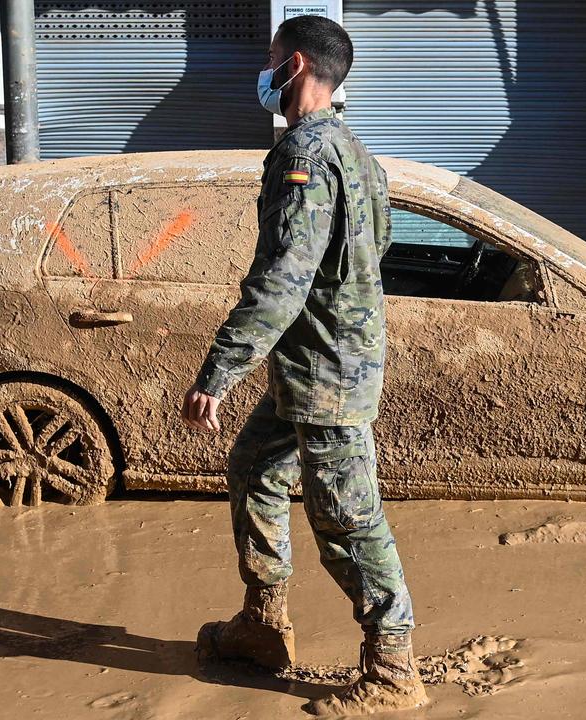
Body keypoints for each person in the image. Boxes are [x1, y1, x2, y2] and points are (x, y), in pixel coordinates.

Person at [179, 14, 428, 716]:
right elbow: (368, 255)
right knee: (255, 466)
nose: (262, 72)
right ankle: (263, 624)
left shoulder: (308, 157)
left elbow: (284, 278)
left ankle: (392, 668)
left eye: (268, 60)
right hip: (316, 363)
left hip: (326, 372)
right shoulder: (357, 153)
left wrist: (217, 372)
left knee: (347, 516)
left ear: (292, 67)